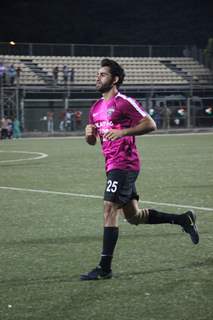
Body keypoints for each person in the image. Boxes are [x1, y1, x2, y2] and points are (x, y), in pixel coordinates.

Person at [80, 58, 199, 281]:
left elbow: (150, 124)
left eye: (103, 74)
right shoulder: (95, 108)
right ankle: (183, 219)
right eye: (97, 74)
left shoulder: (123, 102)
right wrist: (89, 136)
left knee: (108, 208)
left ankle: (104, 268)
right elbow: (93, 141)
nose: (98, 77)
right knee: (134, 216)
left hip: (124, 164)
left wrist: (124, 133)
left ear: (115, 79)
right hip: (111, 165)